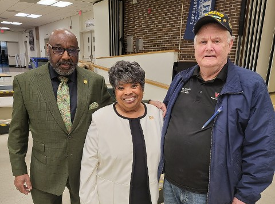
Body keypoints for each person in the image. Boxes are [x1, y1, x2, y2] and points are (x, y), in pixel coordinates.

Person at [158, 11, 275, 204]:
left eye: (217, 41)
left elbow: (263, 146)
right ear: (195, 46)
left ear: (230, 45)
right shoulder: (181, 79)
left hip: (211, 194)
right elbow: (167, 115)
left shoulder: (251, 85)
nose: (209, 48)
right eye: (203, 42)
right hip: (171, 185)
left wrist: (245, 195)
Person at [8, 28, 113, 204]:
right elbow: (18, 130)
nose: (66, 56)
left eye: (72, 50)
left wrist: (145, 105)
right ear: (48, 49)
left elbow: (114, 110)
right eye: (58, 49)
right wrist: (19, 170)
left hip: (84, 168)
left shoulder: (94, 82)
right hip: (45, 170)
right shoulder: (26, 82)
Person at [79, 60, 163, 204]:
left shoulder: (155, 115)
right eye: (121, 87)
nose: (128, 92)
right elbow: (88, 167)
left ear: (142, 88)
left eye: (134, 85)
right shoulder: (100, 119)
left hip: (148, 196)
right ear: (114, 90)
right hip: (112, 198)